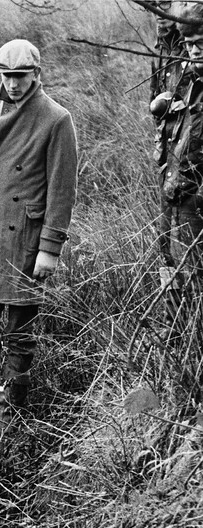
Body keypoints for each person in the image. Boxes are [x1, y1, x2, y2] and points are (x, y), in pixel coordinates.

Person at [0, 39, 77, 435]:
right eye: (6, 76)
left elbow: (62, 191)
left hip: (25, 240)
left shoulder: (56, 119)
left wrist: (49, 249)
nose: (13, 84)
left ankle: (11, 419)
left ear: (37, 74)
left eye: (21, 76)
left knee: (20, 338)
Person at [157, 2, 203, 297]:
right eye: (190, 45)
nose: (195, 51)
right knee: (171, 270)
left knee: (197, 277)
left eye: (201, 44)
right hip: (173, 193)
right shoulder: (190, 83)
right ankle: (176, 338)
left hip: (196, 202)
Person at [149, 2, 190, 325]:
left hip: (191, 179)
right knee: (167, 254)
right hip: (168, 173)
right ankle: (176, 329)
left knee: (191, 261)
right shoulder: (166, 54)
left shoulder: (195, 49)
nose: (162, 10)